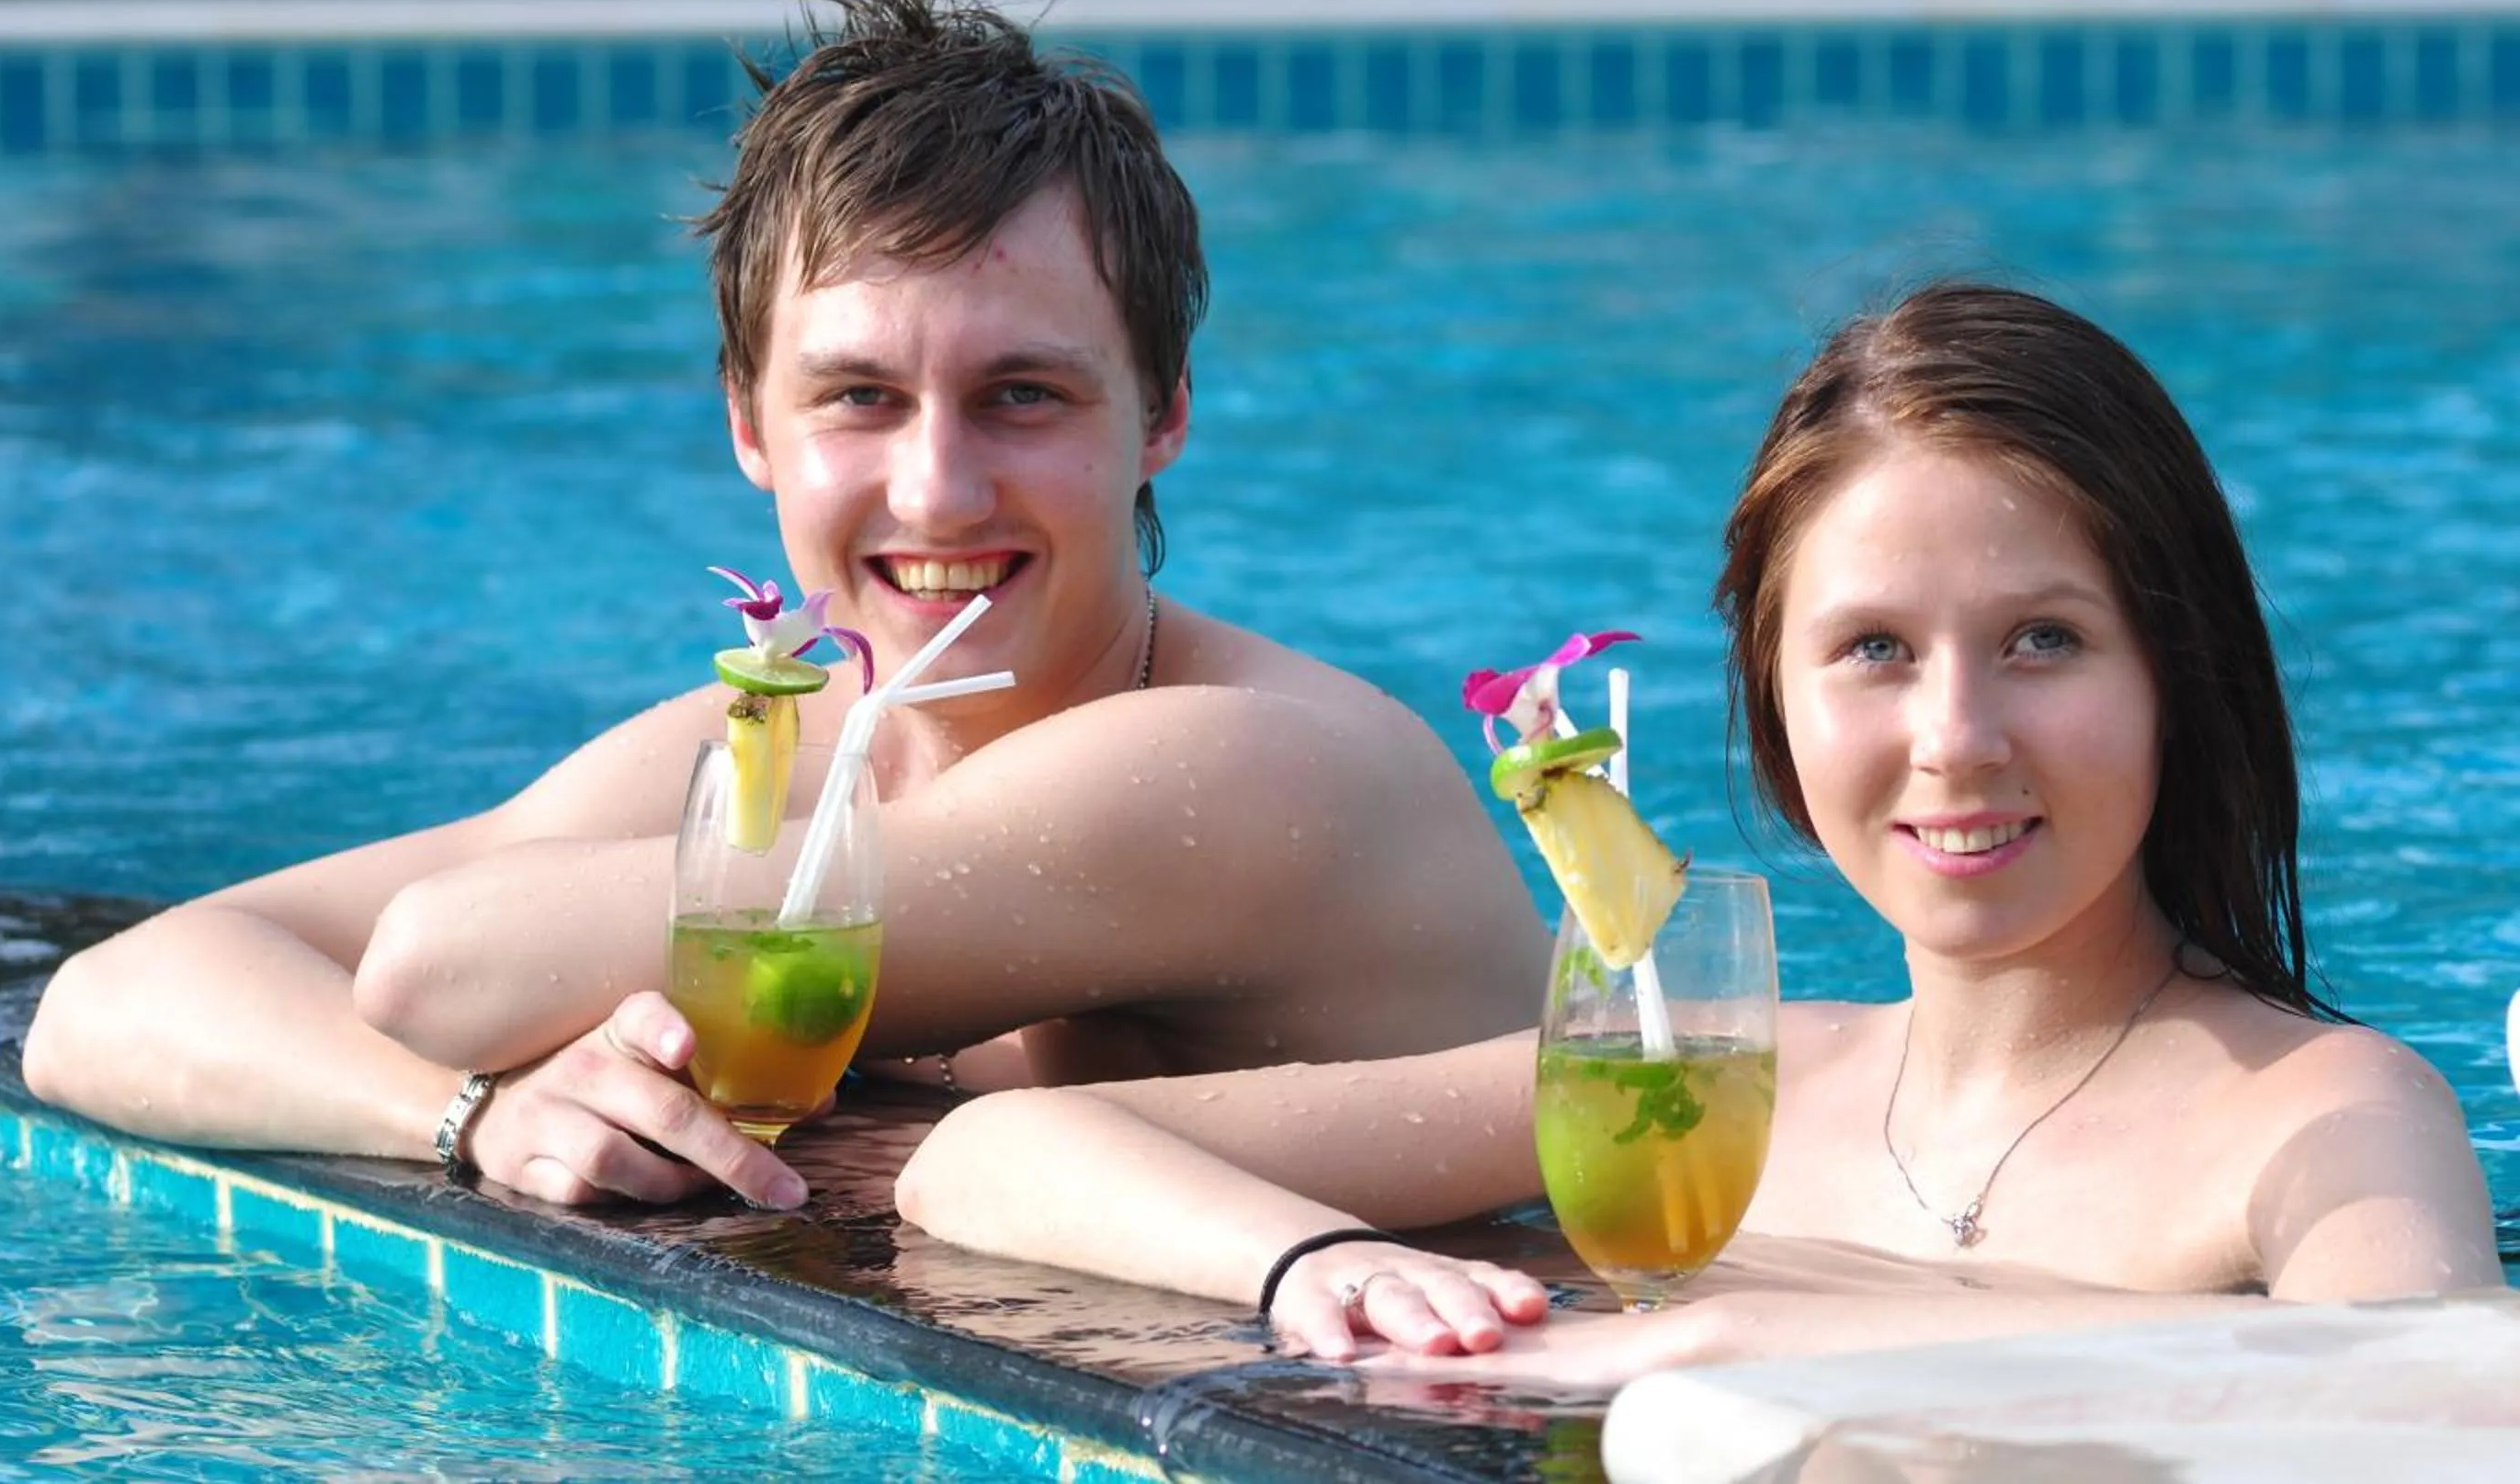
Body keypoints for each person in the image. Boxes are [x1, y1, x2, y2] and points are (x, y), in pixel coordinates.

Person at [20, 0, 1551, 1212]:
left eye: (1023, 396)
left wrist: (514, 1038)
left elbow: (433, 962)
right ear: (751, 424)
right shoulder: (805, 747)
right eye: (859, 398)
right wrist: (475, 1120)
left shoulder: (1244, 766)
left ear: (1161, 417)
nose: (938, 490)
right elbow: (109, 1001)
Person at [894, 280, 2506, 1375]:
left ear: (2177, 671)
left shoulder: (2322, 1122)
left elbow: (2417, 1415)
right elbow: (990, 1158)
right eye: (1874, 650)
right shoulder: (1724, 1093)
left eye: (2044, 640)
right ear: (1778, 704)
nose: (1955, 737)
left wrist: (1743, 1335)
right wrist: (1311, 1267)